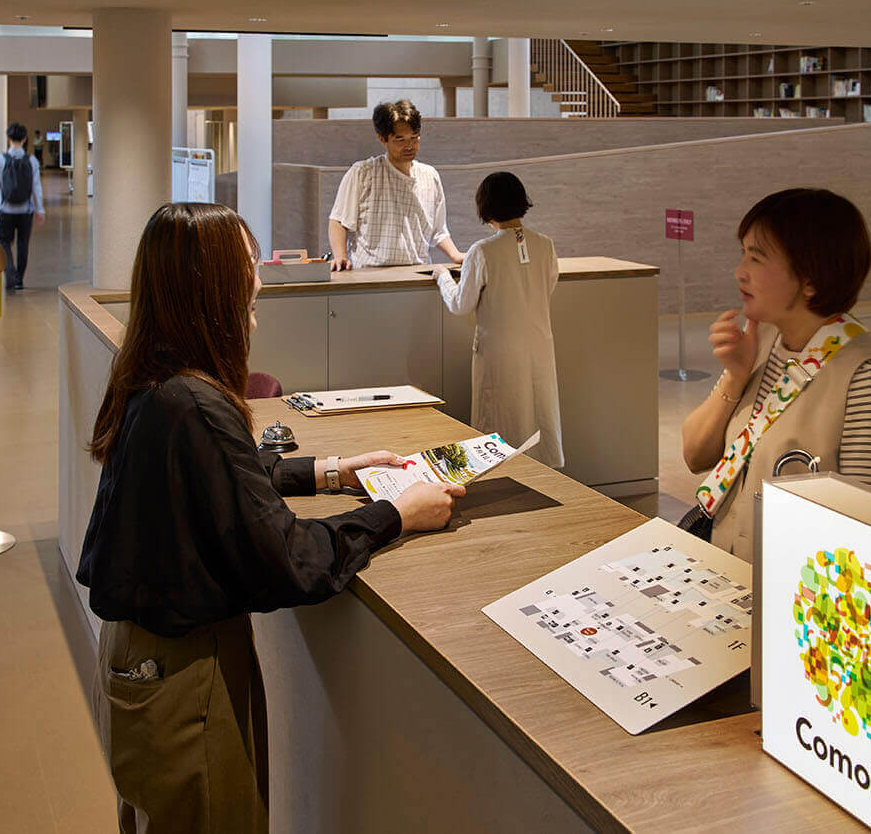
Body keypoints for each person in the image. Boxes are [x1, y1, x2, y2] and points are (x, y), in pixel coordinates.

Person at [77, 202, 463, 833]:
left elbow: (219, 477)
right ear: (208, 287)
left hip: (140, 663)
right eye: (245, 267)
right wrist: (396, 513)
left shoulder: (157, 383)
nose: (257, 281)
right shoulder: (195, 404)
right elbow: (289, 559)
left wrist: (332, 471)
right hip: (182, 676)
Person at [680, 188, 871, 561]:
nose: (740, 272)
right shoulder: (762, 340)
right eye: (743, 254)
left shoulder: (869, 378)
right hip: (727, 571)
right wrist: (735, 377)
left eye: (756, 258)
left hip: (794, 586)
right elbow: (694, 455)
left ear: (810, 279)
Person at [436, 172, 564, 468]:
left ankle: (502, 476)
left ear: (485, 206)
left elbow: (460, 304)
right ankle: (542, 475)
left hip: (499, 351)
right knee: (539, 410)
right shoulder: (545, 244)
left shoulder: (483, 251)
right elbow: (548, 285)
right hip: (539, 346)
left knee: (498, 418)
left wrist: (442, 277)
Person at [327, 100, 465, 271]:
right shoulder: (363, 173)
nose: (409, 146)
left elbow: (438, 231)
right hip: (369, 273)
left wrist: (455, 255)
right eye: (400, 139)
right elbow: (339, 221)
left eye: (414, 138)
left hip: (417, 272)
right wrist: (341, 256)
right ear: (382, 138)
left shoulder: (430, 176)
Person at [0, 122, 45, 291]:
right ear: (25, 139)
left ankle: (9, 273)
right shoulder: (32, 160)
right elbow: (36, 187)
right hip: (25, 211)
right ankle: (19, 280)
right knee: (23, 244)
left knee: (4, 243)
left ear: (8, 138)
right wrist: (40, 209)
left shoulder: (0, 159)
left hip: (5, 209)